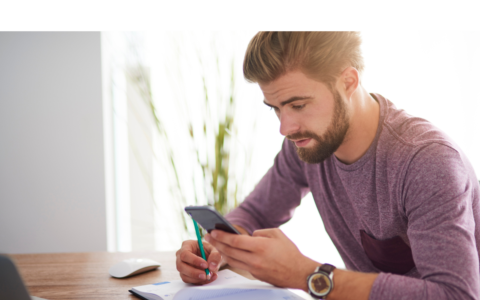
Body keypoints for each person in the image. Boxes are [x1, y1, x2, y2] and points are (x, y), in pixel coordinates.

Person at [176, 30, 480, 299]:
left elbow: (454, 294)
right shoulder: (308, 143)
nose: (285, 127)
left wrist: (306, 274)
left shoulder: (426, 162)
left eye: (298, 105)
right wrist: (219, 249)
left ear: (348, 81)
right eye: (276, 109)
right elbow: (255, 213)